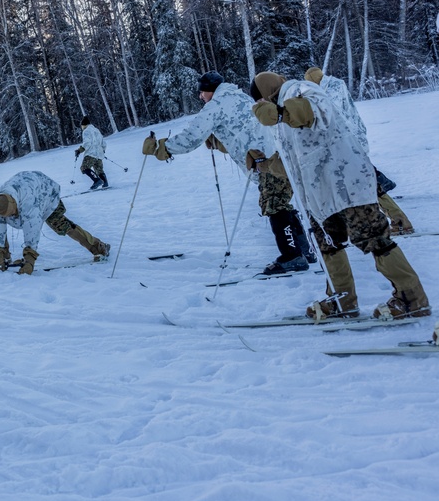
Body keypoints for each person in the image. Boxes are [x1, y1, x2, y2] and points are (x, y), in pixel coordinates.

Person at [249, 72, 430, 320]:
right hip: (319, 194)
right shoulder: (281, 119)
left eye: (258, 102)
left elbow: (314, 110)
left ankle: (412, 298)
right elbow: (292, 160)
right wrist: (264, 165)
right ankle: (342, 300)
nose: (259, 108)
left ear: (266, 94)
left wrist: (279, 113)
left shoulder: (299, 89)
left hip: (346, 184)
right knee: (327, 244)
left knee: (374, 238)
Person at [142, 71, 316, 275]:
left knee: (274, 204)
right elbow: (242, 131)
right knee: (280, 202)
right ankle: (303, 250)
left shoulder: (216, 105)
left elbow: (192, 136)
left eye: (202, 92)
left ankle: (292, 256)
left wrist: (161, 148)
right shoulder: (240, 96)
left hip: (265, 160)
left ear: (211, 91)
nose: (200, 97)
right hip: (278, 155)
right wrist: (219, 142)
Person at [303, 67, 415, 234]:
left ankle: (396, 222)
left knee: (362, 187)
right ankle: (397, 220)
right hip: (353, 143)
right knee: (366, 185)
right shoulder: (338, 86)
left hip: (340, 149)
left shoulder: (318, 94)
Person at [0, 171, 109, 274]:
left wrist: (29, 260)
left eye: (12, 214)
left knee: (60, 224)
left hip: (47, 194)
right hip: (28, 187)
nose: (11, 217)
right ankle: (4, 255)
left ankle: (97, 246)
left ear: (16, 205)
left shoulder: (30, 202)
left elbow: (32, 228)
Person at [74, 116, 108, 190]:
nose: (82, 127)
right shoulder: (96, 130)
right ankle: (105, 182)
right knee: (99, 169)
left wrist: (79, 150)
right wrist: (103, 150)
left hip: (91, 153)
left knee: (84, 167)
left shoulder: (86, 131)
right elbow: (103, 143)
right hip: (99, 154)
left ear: (84, 125)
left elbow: (87, 143)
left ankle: (97, 180)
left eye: (82, 126)